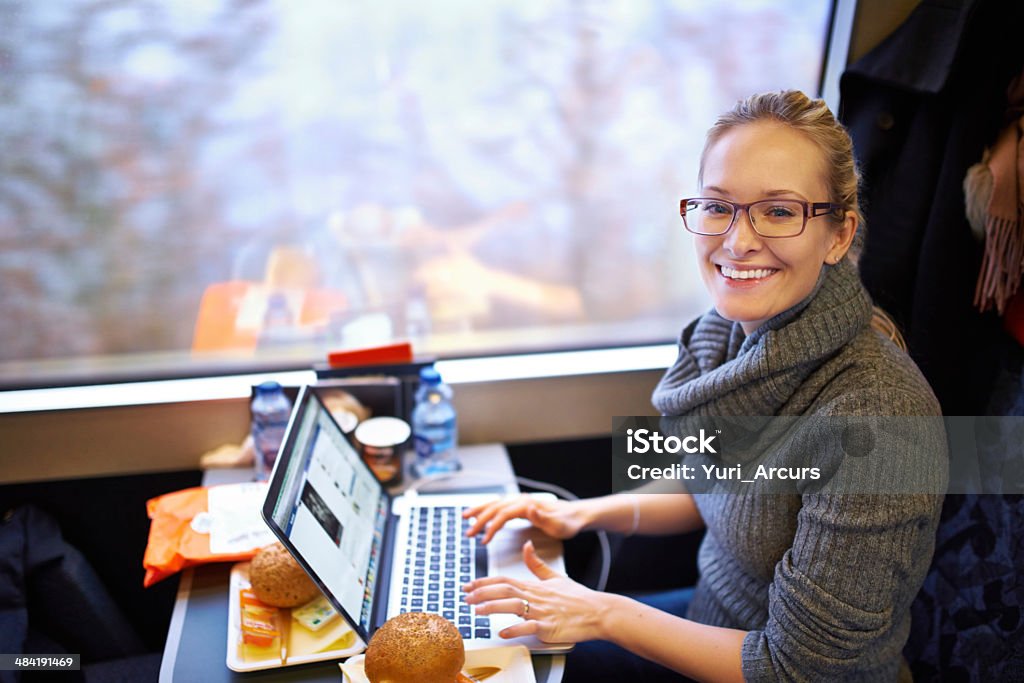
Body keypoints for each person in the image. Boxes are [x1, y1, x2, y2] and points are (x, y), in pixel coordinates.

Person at [461, 90, 946, 682]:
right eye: (718, 207)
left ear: (839, 235)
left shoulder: (881, 420)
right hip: (709, 621)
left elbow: (794, 669)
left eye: (779, 211)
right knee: (494, 650)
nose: (737, 241)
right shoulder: (734, 337)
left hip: (773, 669)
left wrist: (604, 614)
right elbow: (718, 483)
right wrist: (580, 515)